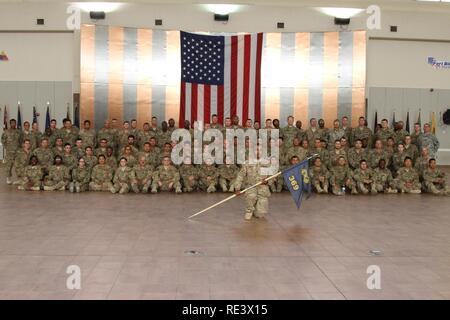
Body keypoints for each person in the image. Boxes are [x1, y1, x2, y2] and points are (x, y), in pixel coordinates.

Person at [235, 149, 272, 220]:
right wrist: (237, 188)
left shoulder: (267, 163)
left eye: (260, 150)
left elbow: (272, 176)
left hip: (262, 188)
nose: (258, 152)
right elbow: (240, 176)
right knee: (251, 197)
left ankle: (257, 209)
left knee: (260, 215)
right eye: (256, 150)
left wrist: (267, 181)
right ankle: (249, 210)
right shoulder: (247, 163)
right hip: (251, 186)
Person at [1, 119, 21, 184]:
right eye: (12, 123)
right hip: (9, 152)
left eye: (14, 123)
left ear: (16, 123)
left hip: (17, 152)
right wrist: (7, 147)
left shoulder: (18, 132)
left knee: (17, 165)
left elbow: (20, 141)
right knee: (8, 166)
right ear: (10, 124)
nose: (13, 124)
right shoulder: (6, 132)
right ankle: (8, 178)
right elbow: (3, 140)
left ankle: (18, 178)